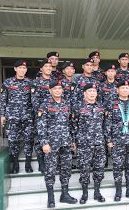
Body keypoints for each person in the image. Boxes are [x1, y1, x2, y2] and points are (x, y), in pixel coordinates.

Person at [37, 80, 77, 208]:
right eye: (55, 89)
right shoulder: (45, 105)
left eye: (60, 88)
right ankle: (51, 197)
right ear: (50, 91)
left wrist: (73, 140)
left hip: (66, 142)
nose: (58, 91)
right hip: (51, 144)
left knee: (66, 169)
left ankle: (64, 194)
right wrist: (44, 143)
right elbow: (41, 125)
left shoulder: (66, 104)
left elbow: (71, 124)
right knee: (50, 170)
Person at [105, 81, 129, 201]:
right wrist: (109, 139)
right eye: (122, 88)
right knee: (117, 166)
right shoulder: (112, 104)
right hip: (117, 140)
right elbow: (107, 123)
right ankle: (118, 191)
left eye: (127, 88)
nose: (125, 90)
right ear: (117, 90)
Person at [73, 83, 107, 204]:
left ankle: (97, 192)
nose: (92, 93)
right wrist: (74, 140)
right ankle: (85, 193)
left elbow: (105, 125)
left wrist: (106, 140)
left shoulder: (101, 107)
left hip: (99, 142)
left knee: (99, 168)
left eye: (94, 91)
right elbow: (73, 125)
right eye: (90, 91)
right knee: (84, 168)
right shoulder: (78, 108)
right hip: (84, 143)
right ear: (84, 93)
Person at [0, 60, 34, 173]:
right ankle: (15, 163)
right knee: (13, 140)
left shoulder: (30, 82)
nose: (22, 70)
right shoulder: (8, 83)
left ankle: (28, 163)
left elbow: (34, 100)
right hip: (12, 116)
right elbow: (3, 100)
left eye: (24, 68)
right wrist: (2, 115)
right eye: (20, 68)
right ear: (15, 69)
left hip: (27, 116)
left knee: (29, 139)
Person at [31, 59, 54, 173]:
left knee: (52, 139)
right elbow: (34, 101)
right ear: (41, 69)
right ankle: (41, 162)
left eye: (50, 66)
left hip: (55, 116)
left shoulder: (55, 81)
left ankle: (51, 161)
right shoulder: (36, 82)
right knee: (41, 139)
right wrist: (41, 114)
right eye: (46, 66)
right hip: (42, 115)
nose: (49, 68)